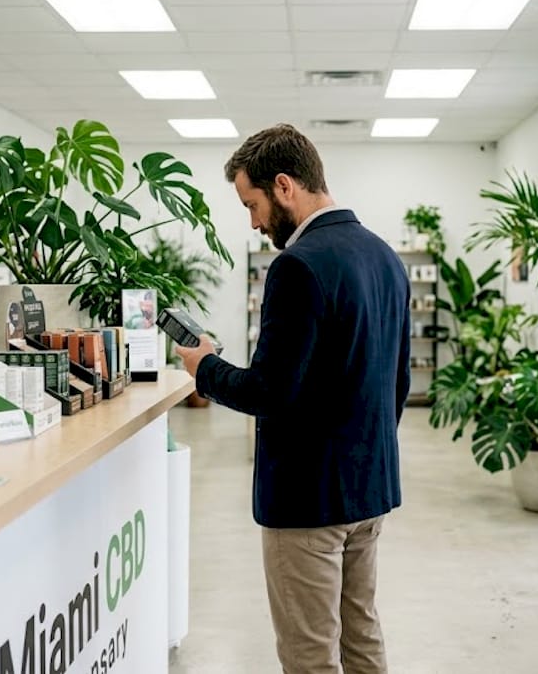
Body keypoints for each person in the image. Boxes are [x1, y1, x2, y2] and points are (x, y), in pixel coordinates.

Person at [174, 124, 411, 674]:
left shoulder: (298, 266)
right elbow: (395, 382)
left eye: (252, 204)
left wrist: (203, 366)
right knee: (362, 633)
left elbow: (269, 391)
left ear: (284, 186)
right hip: (369, 488)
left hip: (309, 502)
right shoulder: (384, 256)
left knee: (309, 654)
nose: (254, 223)